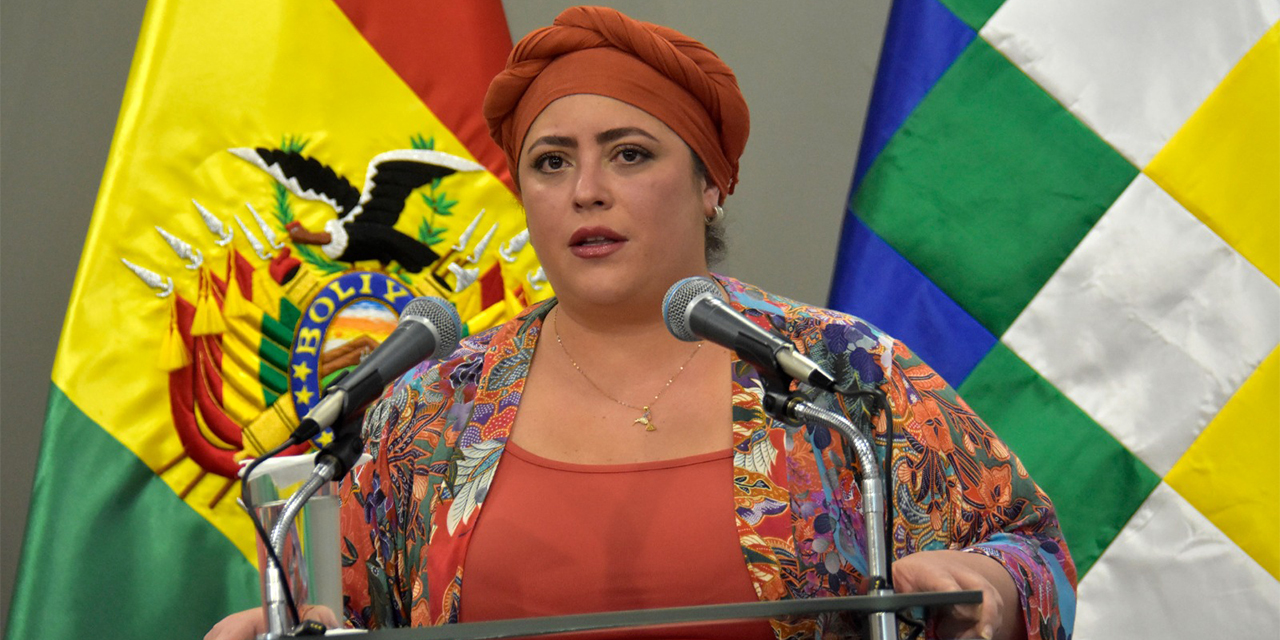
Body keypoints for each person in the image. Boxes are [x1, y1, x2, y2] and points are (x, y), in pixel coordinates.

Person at [208, 6, 1075, 640]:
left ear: (709, 185)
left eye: (630, 154)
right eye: (552, 163)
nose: (588, 190)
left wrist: (995, 591)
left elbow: (1033, 551)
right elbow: (342, 612)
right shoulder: (431, 407)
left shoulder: (835, 372)